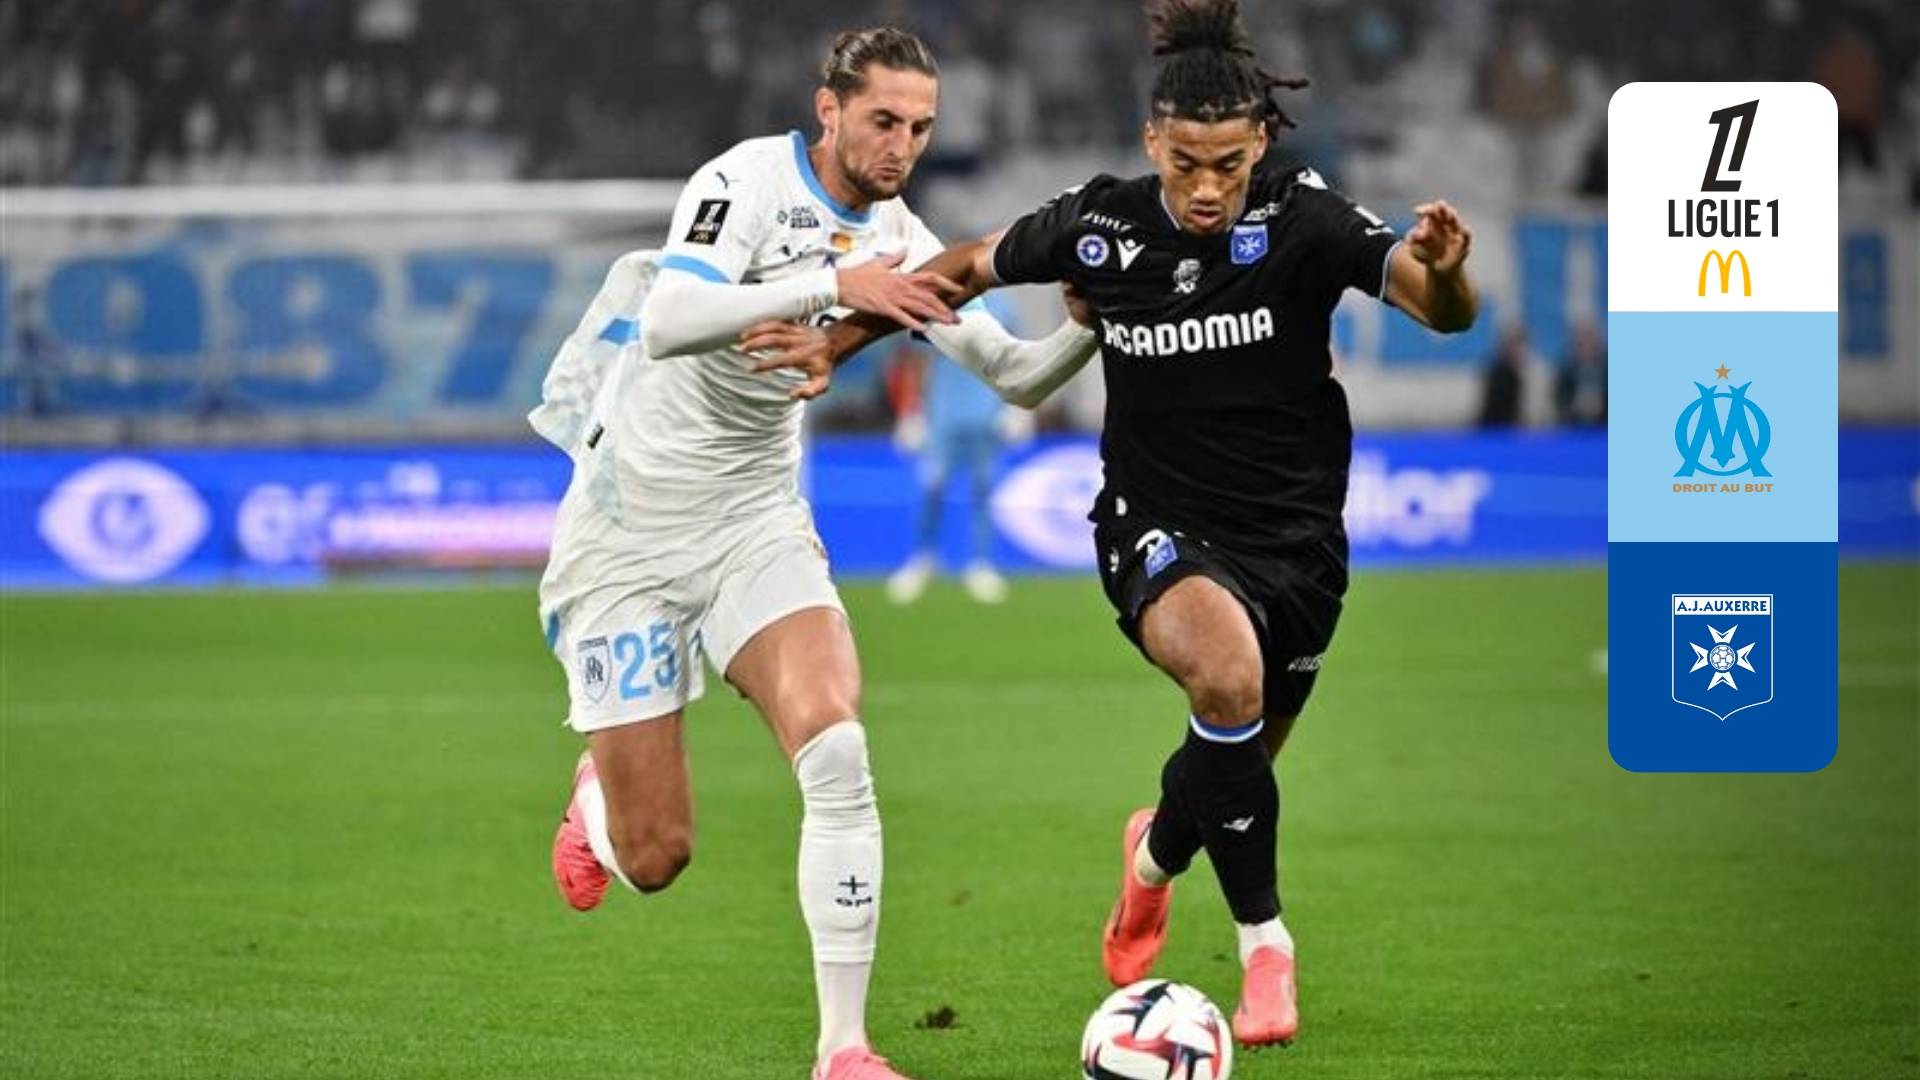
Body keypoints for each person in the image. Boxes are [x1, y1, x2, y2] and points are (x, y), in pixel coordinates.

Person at [744, 0, 1477, 1048]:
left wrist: (1445, 270)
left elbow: (1441, 311)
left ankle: (1150, 860)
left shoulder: (1306, 219)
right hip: (1154, 520)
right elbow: (960, 269)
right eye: (1185, 164)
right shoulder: (1102, 224)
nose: (1208, 187)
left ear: (1261, 144)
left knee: (1231, 762)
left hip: (1297, 543)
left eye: (1230, 164)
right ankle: (1266, 949)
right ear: (1151, 142)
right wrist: (840, 342)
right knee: (1227, 680)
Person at [529, 27, 1099, 1080]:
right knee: (655, 858)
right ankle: (599, 796)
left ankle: (843, 1049)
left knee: (837, 748)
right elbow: (670, 318)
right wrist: (833, 285)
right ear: (828, 110)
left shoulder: (899, 234)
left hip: (755, 520)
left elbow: (1017, 376)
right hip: (629, 535)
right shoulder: (743, 180)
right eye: (883, 120)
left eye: (921, 128)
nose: (902, 147)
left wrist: (1089, 327)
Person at [885, 292, 1035, 605]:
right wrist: (912, 410)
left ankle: (981, 563)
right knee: (932, 485)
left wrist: (1019, 406)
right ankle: (923, 559)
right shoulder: (939, 301)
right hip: (943, 412)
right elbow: (919, 361)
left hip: (987, 413)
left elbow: (1015, 360)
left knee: (984, 487)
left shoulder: (1003, 306)